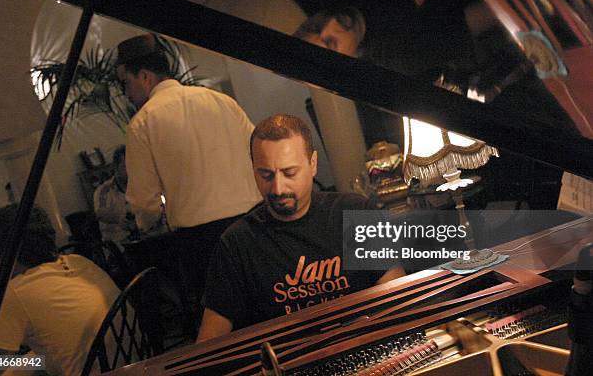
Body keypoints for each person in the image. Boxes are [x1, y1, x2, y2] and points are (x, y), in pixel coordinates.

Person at [197, 114, 405, 341]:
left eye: (289, 173)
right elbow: (209, 345)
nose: (277, 188)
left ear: (312, 164)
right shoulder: (237, 244)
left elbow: (398, 301)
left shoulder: (355, 213)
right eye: (266, 174)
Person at [116, 33, 261, 305]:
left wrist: (147, 223)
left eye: (127, 83)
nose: (126, 94)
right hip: (252, 225)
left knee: (226, 323)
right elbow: (260, 155)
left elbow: (144, 201)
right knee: (266, 304)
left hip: (202, 241)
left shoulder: (143, 123)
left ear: (145, 76)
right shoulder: (220, 101)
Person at [0, 204, 121, 376]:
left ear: (4, 250)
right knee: (30, 362)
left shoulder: (17, 292)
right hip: (135, 362)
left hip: (93, 372)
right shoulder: (78, 261)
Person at [93, 145, 139, 246]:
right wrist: (120, 218)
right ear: (116, 167)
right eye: (126, 166)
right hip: (119, 245)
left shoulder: (141, 186)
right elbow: (100, 213)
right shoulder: (104, 190)